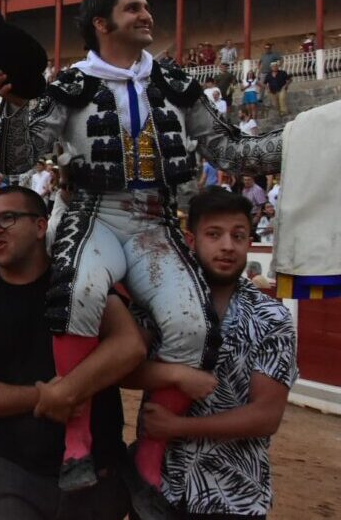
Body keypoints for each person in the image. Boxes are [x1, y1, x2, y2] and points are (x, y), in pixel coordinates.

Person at [0, 0, 283, 498]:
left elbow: (233, 152)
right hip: (92, 213)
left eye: (146, 7)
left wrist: (313, 133)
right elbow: (15, 161)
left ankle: (149, 450)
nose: (147, 15)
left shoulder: (176, 83)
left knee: (191, 324)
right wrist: (12, 106)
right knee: (76, 290)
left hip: (155, 220)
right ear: (102, 24)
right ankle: (75, 440)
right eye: (133, 8)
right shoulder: (68, 86)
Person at [0, 186, 143, 520]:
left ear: (41, 226)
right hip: (13, 472)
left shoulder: (85, 283)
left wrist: (67, 390)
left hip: (97, 474)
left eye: (8, 218)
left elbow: (130, 345)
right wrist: (45, 395)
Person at [125, 188, 297, 519]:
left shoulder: (271, 317)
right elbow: (124, 369)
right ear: (192, 240)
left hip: (234, 497)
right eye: (214, 235)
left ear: (250, 241)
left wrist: (177, 428)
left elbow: (266, 416)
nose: (228, 246)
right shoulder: (156, 302)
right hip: (158, 491)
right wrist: (176, 374)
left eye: (238, 235)